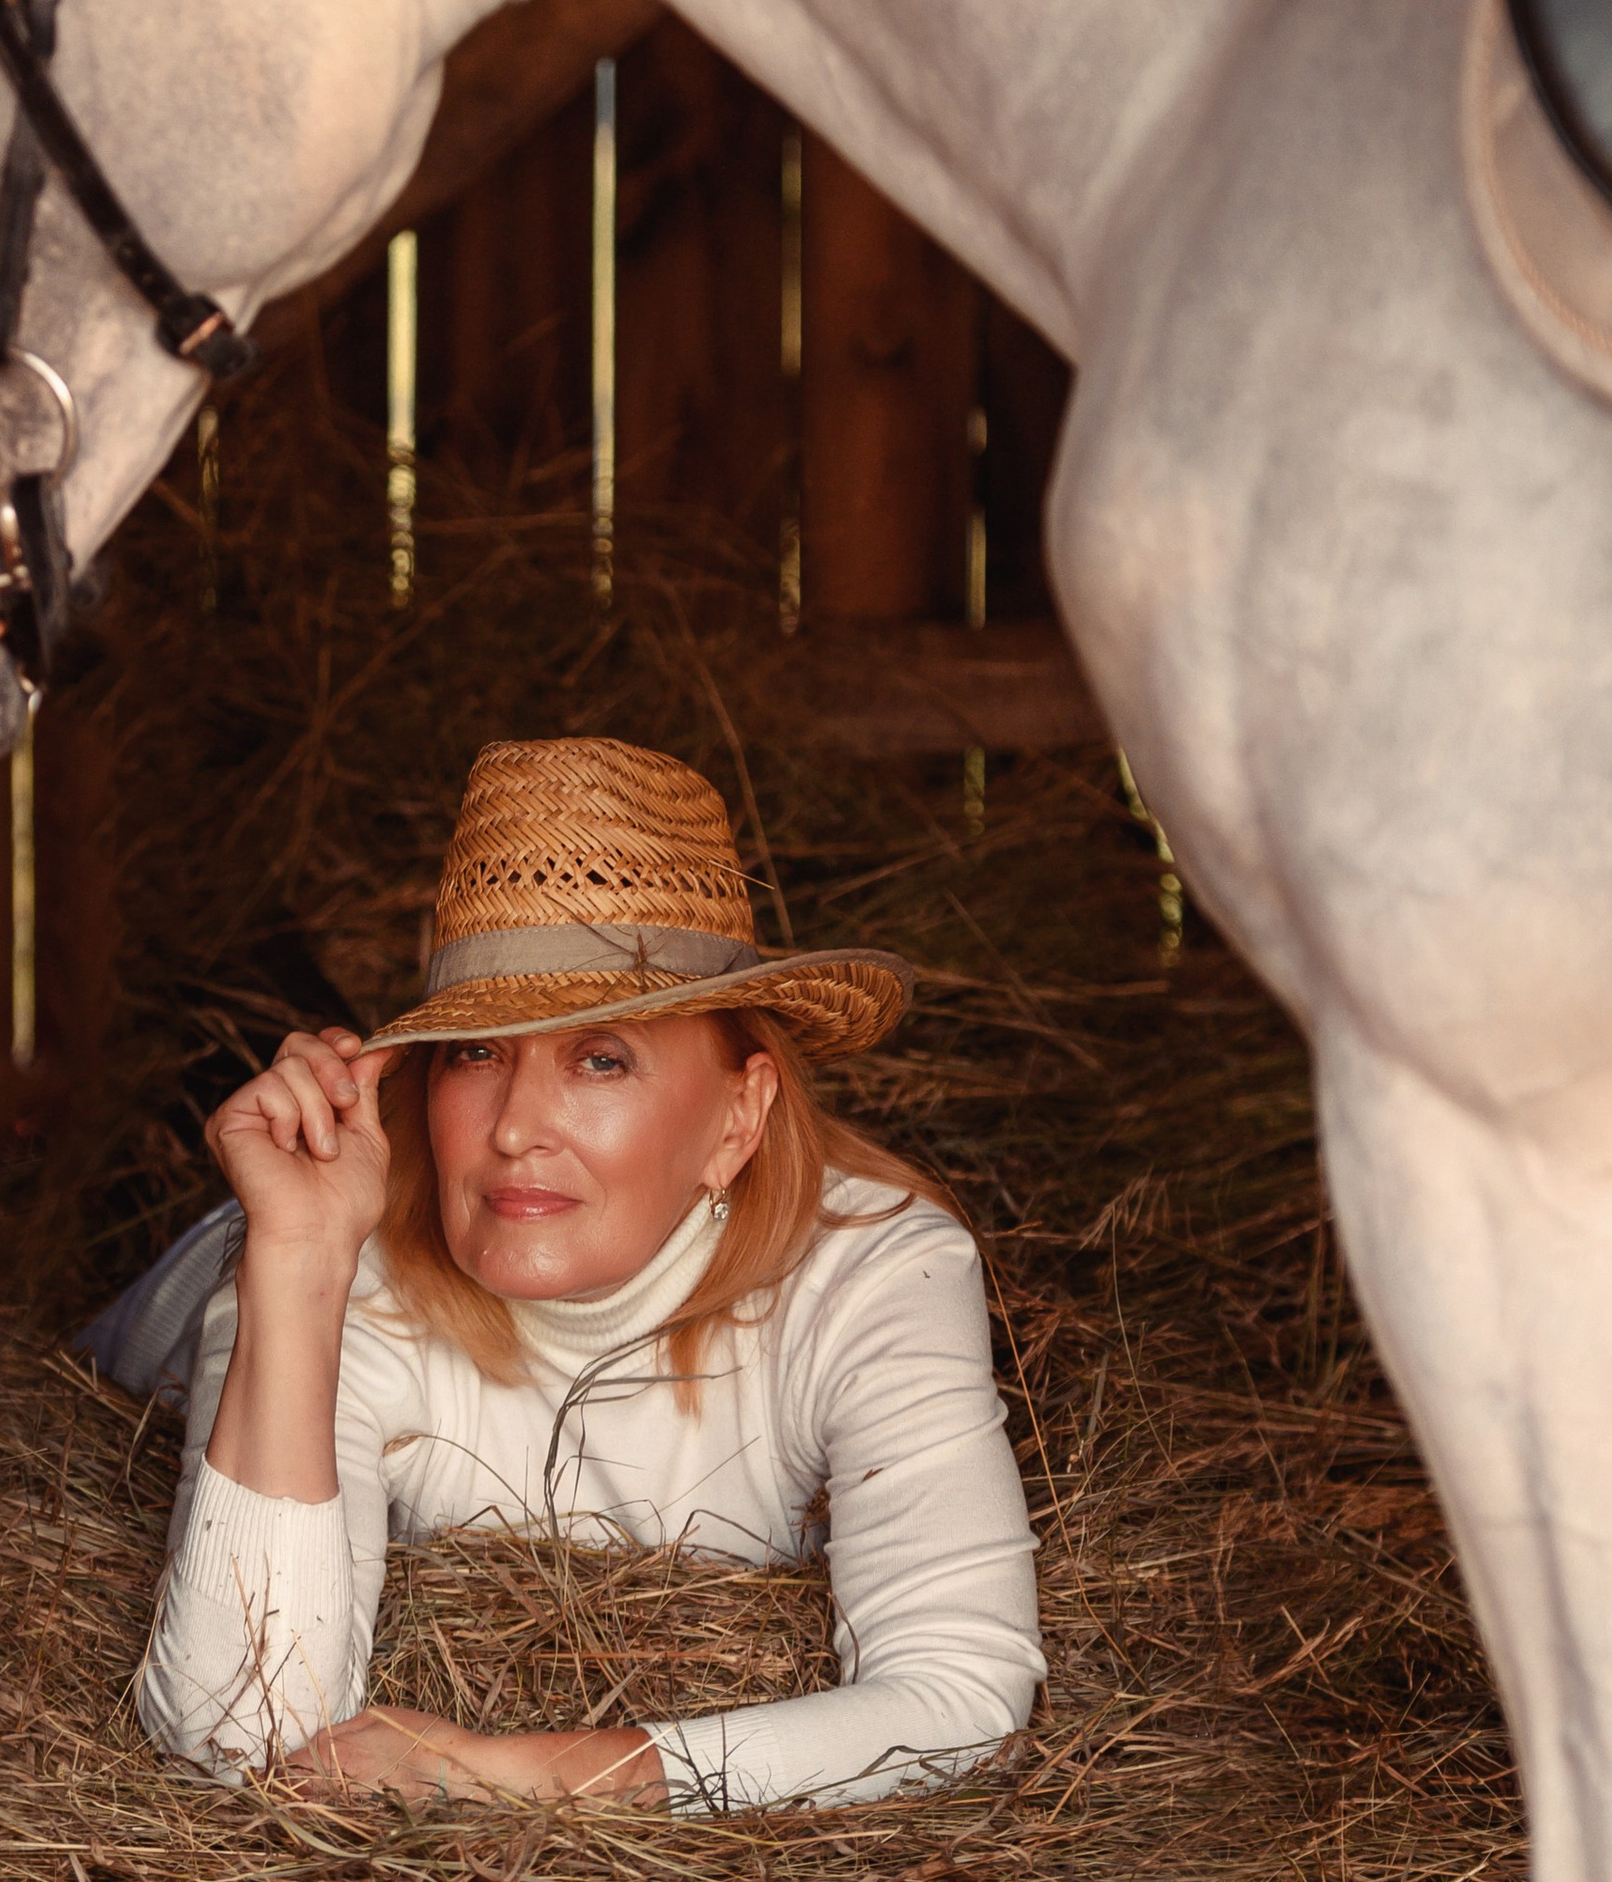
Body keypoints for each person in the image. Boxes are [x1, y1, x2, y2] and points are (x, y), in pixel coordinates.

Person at [91, 736, 1045, 1810]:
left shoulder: (876, 1269)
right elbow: (241, 1728)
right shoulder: (323, 1260)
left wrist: (525, 1773)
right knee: (154, 1145)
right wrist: (298, 1260)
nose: (513, 1129)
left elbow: (962, 1691)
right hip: (172, 1283)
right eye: (476, 1051)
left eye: (601, 1057)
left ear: (740, 1115)